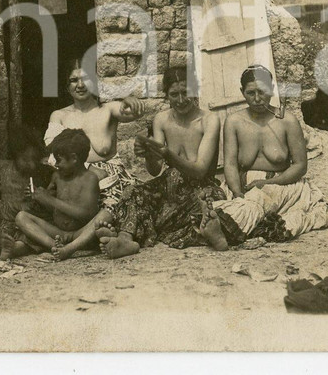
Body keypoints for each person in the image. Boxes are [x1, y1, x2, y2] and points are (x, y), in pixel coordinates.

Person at [60, 67, 231, 260]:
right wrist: (148, 154)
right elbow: (155, 170)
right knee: (132, 191)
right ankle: (125, 240)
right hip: (170, 187)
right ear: (167, 95)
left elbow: (200, 171)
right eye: (174, 94)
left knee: (208, 209)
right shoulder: (162, 119)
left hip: (199, 188)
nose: (181, 100)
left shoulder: (209, 120)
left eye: (186, 93)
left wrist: (167, 155)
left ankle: (203, 232)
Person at [213, 65, 328, 242]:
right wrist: (237, 192)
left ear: (272, 89)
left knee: (254, 202)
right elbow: (231, 164)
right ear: (242, 92)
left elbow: (300, 166)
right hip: (241, 185)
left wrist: (268, 182)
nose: (257, 99)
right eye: (250, 93)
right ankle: (235, 222)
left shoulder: (287, 121)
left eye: (262, 92)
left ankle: (226, 230)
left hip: (281, 184)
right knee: (243, 203)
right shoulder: (234, 122)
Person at [44, 57, 145, 209]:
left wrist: (131, 102)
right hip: (75, 179)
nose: (80, 85)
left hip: (112, 181)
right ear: (67, 87)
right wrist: (89, 169)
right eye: (73, 80)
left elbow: (133, 112)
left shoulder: (108, 110)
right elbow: (52, 156)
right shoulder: (59, 116)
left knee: (127, 205)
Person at [15, 129, 100, 261]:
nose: (56, 165)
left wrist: (50, 200)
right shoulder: (57, 177)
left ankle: (70, 249)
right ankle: (54, 246)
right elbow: (52, 208)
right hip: (58, 233)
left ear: (74, 158)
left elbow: (86, 214)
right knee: (21, 217)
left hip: (80, 232)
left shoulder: (90, 179)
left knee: (104, 216)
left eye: (59, 160)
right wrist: (38, 196)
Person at [0, 123, 56, 261]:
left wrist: (43, 196)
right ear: (14, 156)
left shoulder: (45, 172)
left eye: (34, 159)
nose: (31, 164)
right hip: (7, 219)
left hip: (31, 221)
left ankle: (7, 249)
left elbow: (55, 195)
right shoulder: (2, 167)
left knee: (30, 239)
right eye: (25, 159)